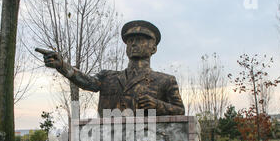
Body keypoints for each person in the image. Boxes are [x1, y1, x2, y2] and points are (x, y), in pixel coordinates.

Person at [37, 20, 185, 116]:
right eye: (130, 41)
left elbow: (180, 111)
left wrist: (157, 105)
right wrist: (62, 65)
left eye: (140, 40)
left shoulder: (165, 81)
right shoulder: (108, 77)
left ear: (153, 48)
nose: (133, 44)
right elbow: (86, 81)